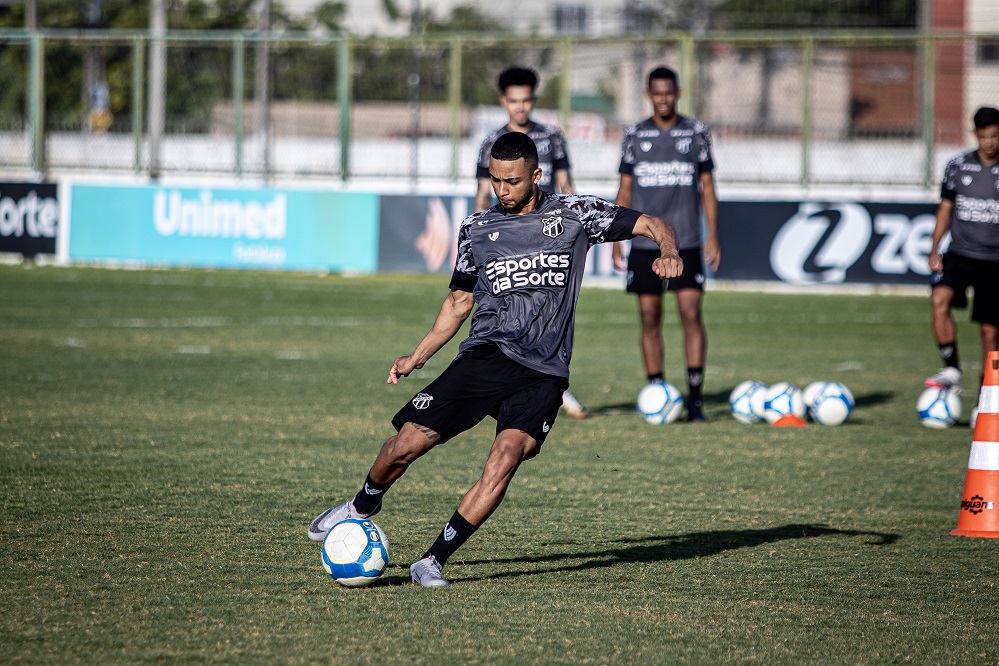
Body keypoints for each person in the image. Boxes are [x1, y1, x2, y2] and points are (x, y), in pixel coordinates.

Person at [308, 132, 683, 587]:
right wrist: (417, 356)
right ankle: (363, 503)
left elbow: (652, 223)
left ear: (536, 175)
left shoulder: (575, 213)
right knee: (406, 445)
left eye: (512, 180)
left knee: (504, 460)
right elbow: (459, 302)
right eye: (495, 180)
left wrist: (668, 252)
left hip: (544, 372)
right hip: (486, 356)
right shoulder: (477, 228)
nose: (501, 190)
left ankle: (431, 561)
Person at [473, 66, 587, 420]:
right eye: (513, 101)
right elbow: (482, 197)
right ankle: (505, 386)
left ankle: (556, 386)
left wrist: (580, 226)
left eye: (526, 100)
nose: (520, 108)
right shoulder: (492, 142)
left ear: (532, 101)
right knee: (508, 316)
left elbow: (567, 186)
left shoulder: (552, 137)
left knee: (552, 317)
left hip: (549, 241)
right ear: (503, 101)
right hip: (508, 242)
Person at [612, 66, 720, 422]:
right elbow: (625, 189)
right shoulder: (634, 135)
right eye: (656, 93)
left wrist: (713, 235)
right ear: (648, 94)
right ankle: (656, 390)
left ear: (678, 92)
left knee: (690, 313)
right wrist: (617, 236)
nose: (663, 98)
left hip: (687, 241)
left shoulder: (696, 132)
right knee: (649, 317)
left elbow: (708, 187)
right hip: (644, 244)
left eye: (668, 92)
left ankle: (696, 398)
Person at [925, 105, 999, 413]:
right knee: (939, 299)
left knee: (990, 331)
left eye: (994, 136)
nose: (989, 142)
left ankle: (988, 397)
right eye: (983, 136)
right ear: (975, 135)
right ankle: (952, 368)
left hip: (994, 262)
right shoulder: (957, 166)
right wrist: (934, 247)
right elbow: (945, 208)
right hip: (959, 253)